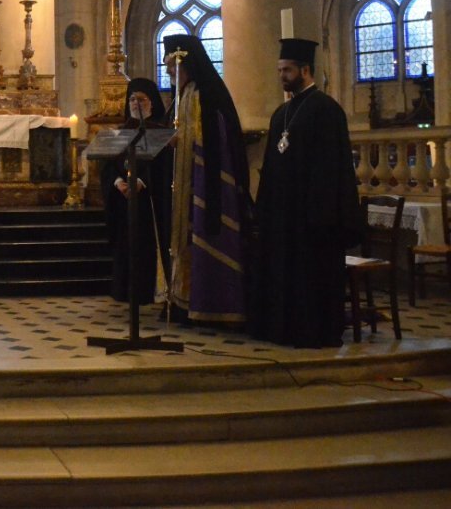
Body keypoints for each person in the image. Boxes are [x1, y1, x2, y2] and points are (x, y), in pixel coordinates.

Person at [248, 38, 360, 348]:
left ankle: (314, 331)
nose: (282, 76)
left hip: (314, 219)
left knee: (311, 277)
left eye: (287, 70)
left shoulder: (326, 111)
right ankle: (281, 328)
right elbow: (271, 166)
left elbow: (332, 170)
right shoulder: (281, 113)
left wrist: (319, 215)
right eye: (280, 70)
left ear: (305, 70)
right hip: (283, 217)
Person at [163, 34, 254, 326]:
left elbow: (214, 142)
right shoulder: (184, 95)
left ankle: (211, 302)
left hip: (205, 182)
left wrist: (180, 139)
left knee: (203, 236)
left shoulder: (206, 94)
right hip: (186, 181)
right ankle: (183, 299)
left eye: (173, 68)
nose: (169, 74)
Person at [101, 78, 173, 306]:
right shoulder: (121, 132)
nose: (136, 103)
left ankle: (149, 290)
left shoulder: (161, 132)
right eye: (132, 99)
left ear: (152, 102)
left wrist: (142, 181)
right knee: (126, 245)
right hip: (123, 199)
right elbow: (107, 165)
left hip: (149, 201)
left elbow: (163, 165)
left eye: (141, 99)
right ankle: (124, 290)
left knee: (147, 246)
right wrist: (116, 182)